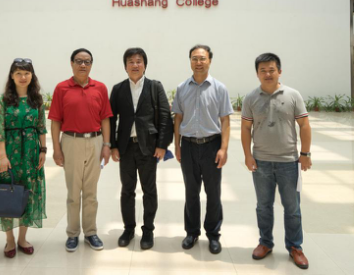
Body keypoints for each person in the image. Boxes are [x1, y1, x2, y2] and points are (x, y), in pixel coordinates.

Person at [241, 53, 312, 270]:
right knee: (263, 206)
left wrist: (305, 154)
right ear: (257, 74)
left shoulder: (293, 95)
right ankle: (265, 243)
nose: (267, 74)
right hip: (261, 162)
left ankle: (295, 247)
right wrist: (248, 155)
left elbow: (304, 125)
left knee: (292, 208)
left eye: (271, 70)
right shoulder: (251, 98)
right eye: (262, 70)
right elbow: (245, 128)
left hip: (288, 162)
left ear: (279, 71)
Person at [49, 48, 113, 252]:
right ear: (71, 63)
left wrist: (106, 145)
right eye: (79, 61)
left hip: (95, 142)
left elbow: (105, 119)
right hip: (71, 142)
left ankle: (91, 232)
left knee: (91, 192)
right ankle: (73, 234)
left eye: (87, 61)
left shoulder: (100, 88)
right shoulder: (62, 88)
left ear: (91, 64)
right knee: (73, 192)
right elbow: (55, 121)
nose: (83, 65)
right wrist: (56, 148)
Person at [109, 47, 173, 250]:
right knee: (127, 190)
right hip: (126, 148)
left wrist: (162, 145)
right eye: (131, 62)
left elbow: (165, 116)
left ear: (145, 65)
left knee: (149, 190)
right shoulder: (118, 89)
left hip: (149, 147)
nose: (135, 65)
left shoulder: (155, 87)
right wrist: (113, 146)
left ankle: (148, 230)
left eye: (139, 61)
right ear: (125, 66)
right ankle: (128, 229)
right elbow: (110, 119)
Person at [0, 58, 47, 258]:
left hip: (31, 153)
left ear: (32, 76)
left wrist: (43, 150)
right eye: (18, 73)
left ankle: (22, 238)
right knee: (6, 193)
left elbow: (41, 127)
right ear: (12, 75)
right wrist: (2, 156)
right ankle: (10, 239)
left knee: (28, 193)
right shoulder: (2, 101)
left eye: (26, 73)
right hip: (9, 153)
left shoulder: (36, 99)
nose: (23, 77)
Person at [173, 44, 232, 254]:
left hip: (212, 145)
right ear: (190, 61)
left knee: (213, 193)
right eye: (194, 58)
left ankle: (213, 234)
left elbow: (225, 121)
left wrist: (223, 148)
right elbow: (178, 118)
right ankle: (192, 232)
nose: (198, 62)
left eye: (202, 58)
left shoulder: (220, 88)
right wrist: (177, 145)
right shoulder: (182, 88)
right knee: (191, 192)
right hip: (188, 146)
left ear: (209, 61)